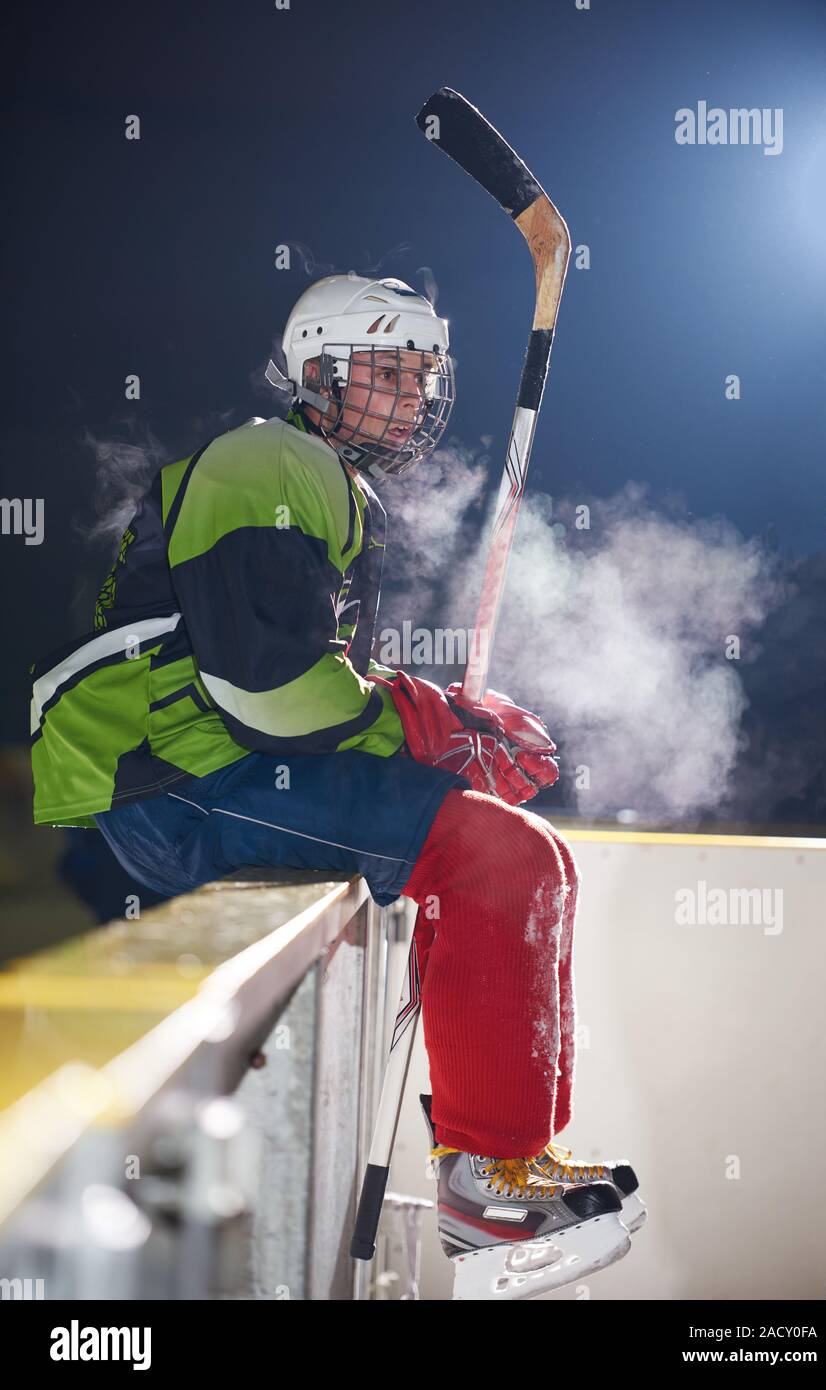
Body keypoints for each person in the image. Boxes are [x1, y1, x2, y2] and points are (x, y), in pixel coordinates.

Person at [30, 273, 642, 1293]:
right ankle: (488, 1189)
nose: (412, 394)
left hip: (196, 766)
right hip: (173, 772)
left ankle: (499, 1164)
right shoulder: (270, 457)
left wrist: (434, 727)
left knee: (495, 847)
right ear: (318, 372)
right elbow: (264, 685)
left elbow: (310, 683)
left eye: (422, 374)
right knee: (505, 855)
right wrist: (429, 730)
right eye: (386, 370)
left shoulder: (323, 478)